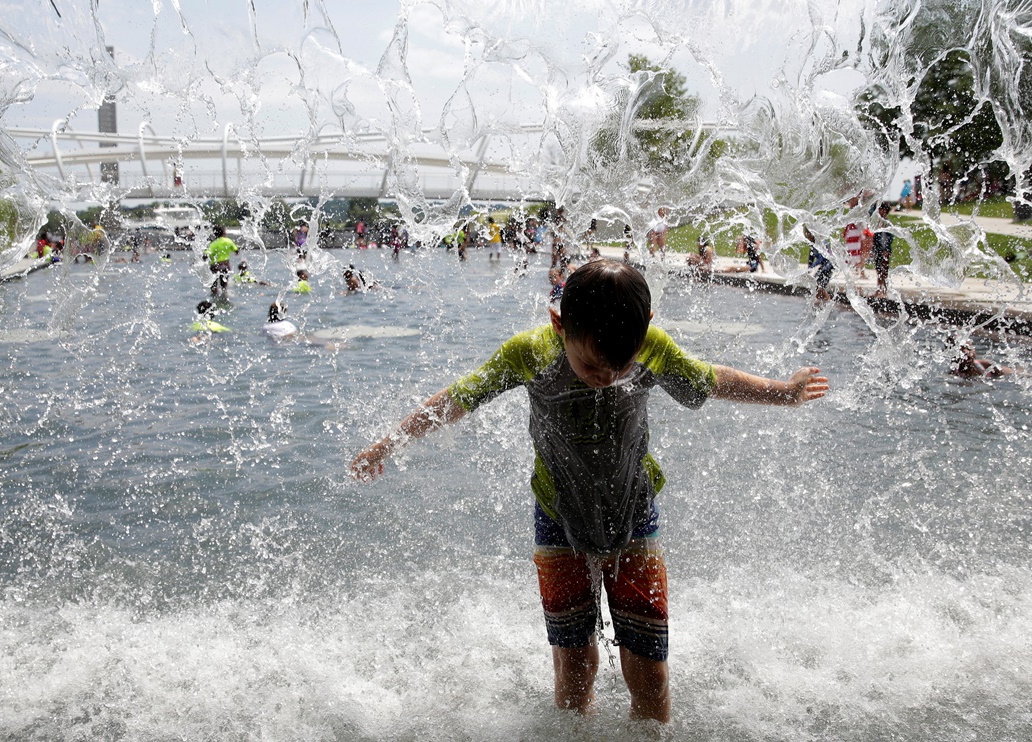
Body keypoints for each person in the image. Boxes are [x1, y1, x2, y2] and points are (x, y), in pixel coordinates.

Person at [350, 259, 828, 723]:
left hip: (634, 513)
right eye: (593, 365)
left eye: (622, 366)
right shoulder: (530, 354)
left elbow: (709, 379)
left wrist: (782, 392)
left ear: (647, 328)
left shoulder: (651, 347)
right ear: (559, 324)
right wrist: (388, 444)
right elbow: (457, 398)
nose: (609, 378)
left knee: (648, 663)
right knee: (574, 664)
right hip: (559, 517)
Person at [803, 226, 834, 303]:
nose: (807, 237)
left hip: (829, 264)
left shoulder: (820, 243)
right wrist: (809, 268)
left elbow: (821, 258)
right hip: (824, 265)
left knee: (818, 281)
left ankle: (826, 301)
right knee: (819, 283)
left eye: (808, 234)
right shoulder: (812, 244)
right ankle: (821, 300)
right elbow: (811, 258)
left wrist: (813, 267)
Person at [206, 225, 239, 296]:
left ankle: (214, 298)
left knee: (213, 286)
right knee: (224, 286)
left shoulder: (213, 244)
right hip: (225, 265)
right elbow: (236, 250)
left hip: (215, 266)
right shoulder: (228, 241)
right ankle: (224, 299)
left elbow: (205, 255)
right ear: (224, 232)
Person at [871, 203, 895, 297]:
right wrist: (873, 249)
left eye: (880, 209)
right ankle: (878, 289)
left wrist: (886, 249)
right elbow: (875, 237)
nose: (879, 211)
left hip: (884, 250)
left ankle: (884, 290)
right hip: (878, 249)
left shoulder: (887, 223)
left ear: (884, 210)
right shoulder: (879, 222)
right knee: (878, 270)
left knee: (884, 271)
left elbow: (888, 238)